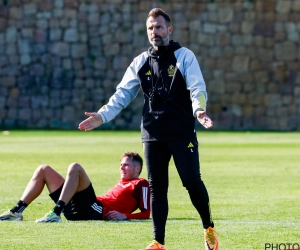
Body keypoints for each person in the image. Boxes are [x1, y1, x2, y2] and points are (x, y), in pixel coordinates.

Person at [78, 8, 218, 250]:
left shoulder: (184, 56)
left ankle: (208, 228)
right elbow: (121, 95)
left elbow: (197, 87)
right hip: (152, 134)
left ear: (169, 30)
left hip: (181, 131)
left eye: (159, 27)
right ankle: (158, 242)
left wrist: (199, 110)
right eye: (151, 28)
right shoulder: (140, 62)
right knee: (157, 188)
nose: (155, 32)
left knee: (192, 182)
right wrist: (103, 116)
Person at [0, 151, 150, 222]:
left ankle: (55, 213)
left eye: (126, 166)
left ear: (137, 169)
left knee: (75, 167)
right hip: (78, 208)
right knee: (43, 169)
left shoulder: (141, 183)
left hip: (96, 211)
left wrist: (125, 216)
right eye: (121, 165)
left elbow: (146, 213)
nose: (121, 168)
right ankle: (16, 212)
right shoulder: (121, 182)